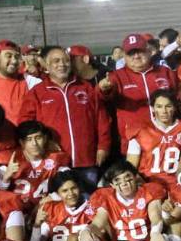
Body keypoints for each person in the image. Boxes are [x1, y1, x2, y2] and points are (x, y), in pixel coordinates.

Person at [19, 46, 112, 185]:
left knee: (88, 196)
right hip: (53, 162)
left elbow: (102, 119)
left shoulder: (86, 88)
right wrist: (42, 144)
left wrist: (103, 147)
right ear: (47, 66)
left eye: (66, 60)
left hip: (86, 160)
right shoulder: (37, 93)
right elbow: (25, 125)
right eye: (56, 61)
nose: (62, 64)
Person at [100, 33, 180, 143]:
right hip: (134, 140)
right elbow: (102, 100)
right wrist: (102, 90)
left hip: (167, 139)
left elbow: (178, 98)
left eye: (140, 51)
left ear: (149, 51)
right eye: (131, 53)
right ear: (124, 56)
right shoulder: (116, 76)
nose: (136, 56)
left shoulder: (165, 72)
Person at [0, 120, 71, 214]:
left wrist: (51, 198)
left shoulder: (56, 158)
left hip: (45, 210)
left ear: (45, 138)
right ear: (22, 142)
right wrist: (6, 178)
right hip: (15, 210)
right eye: (29, 139)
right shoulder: (8, 158)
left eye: (38, 138)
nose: (34, 143)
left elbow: (70, 187)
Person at [125, 89, 181, 190]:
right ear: (152, 108)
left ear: (174, 107)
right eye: (159, 106)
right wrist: (145, 188)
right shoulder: (140, 129)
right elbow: (131, 167)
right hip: (148, 183)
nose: (164, 111)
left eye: (168, 106)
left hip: (178, 183)